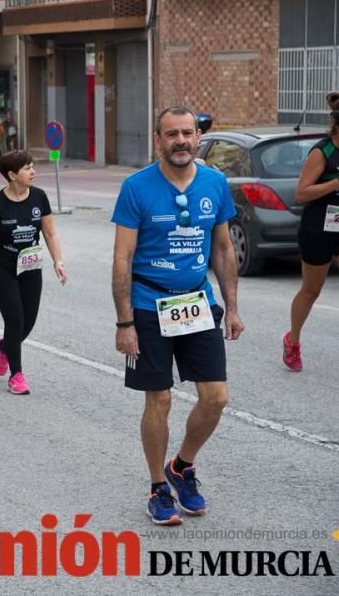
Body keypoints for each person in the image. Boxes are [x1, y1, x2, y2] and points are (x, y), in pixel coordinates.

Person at [111, 106, 244, 526]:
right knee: (161, 398)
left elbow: (223, 249)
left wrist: (233, 308)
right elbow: (122, 257)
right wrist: (125, 322)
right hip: (149, 304)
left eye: (188, 133)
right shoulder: (136, 187)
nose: (181, 140)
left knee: (216, 397)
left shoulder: (215, 183)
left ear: (198, 137)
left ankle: (182, 465)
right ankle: (157, 487)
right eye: (172, 134)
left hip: (197, 302)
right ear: (159, 139)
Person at [0, 151, 67, 396]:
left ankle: (5, 347)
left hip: (30, 266)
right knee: (15, 318)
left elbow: (49, 233)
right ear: (12, 174)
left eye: (32, 167)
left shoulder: (39, 197)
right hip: (0, 266)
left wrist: (57, 261)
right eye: (27, 168)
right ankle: (16, 375)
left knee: (28, 322)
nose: (33, 172)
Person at [283, 91, 339, 372]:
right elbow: (301, 193)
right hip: (318, 228)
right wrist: (335, 183)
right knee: (312, 290)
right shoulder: (323, 152)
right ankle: (292, 340)